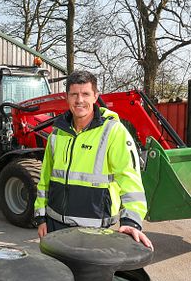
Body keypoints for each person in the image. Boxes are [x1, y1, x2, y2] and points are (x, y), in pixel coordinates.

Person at [33, 70, 153, 249]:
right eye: (74, 94)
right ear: (67, 98)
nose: (79, 100)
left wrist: (132, 221)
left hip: (95, 230)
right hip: (55, 226)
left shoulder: (113, 132)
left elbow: (130, 180)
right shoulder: (57, 134)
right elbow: (45, 180)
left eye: (85, 94)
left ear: (95, 97)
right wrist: (41, 217)